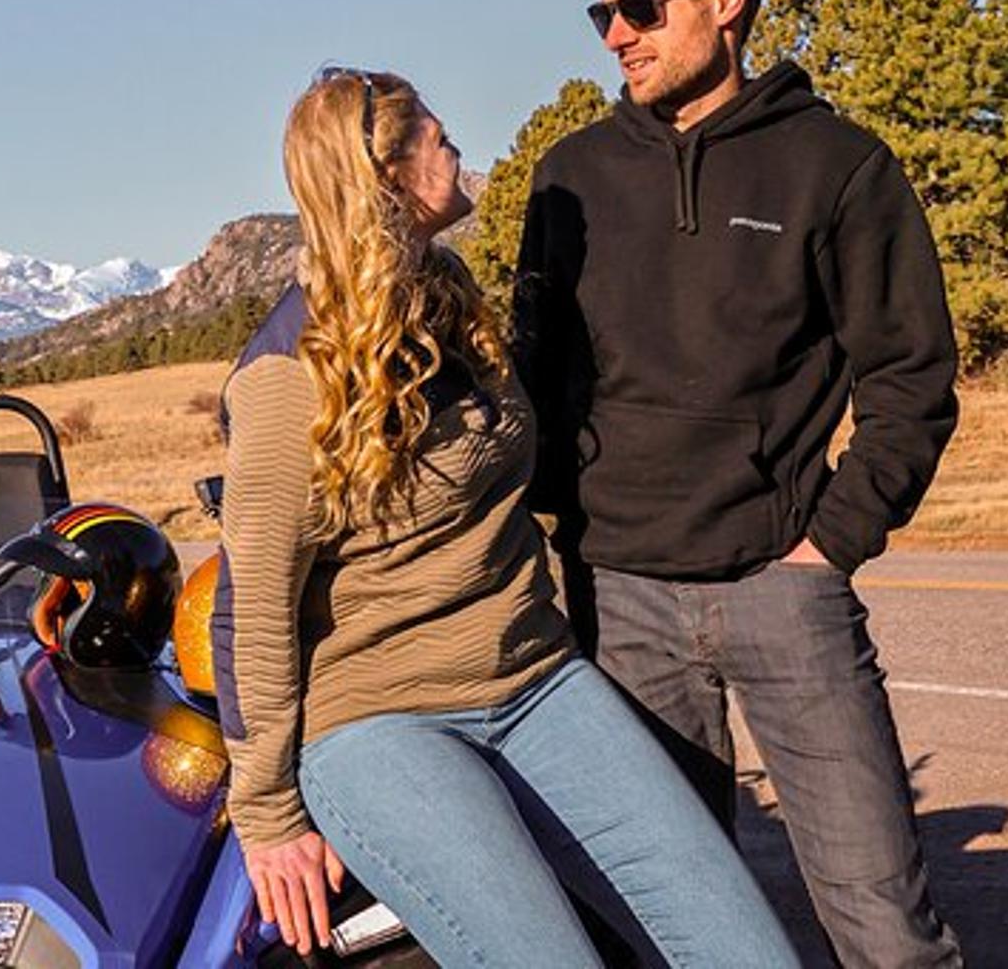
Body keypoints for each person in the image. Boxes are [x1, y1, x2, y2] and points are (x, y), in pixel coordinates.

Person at [214, 66, 798, 968]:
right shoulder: (289, 375)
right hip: (378, 718)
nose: (457, 148)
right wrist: (268, 815)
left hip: (536, 679)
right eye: (437, 136)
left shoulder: (444, 293)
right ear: (390, 176)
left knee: (749, 951)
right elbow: (251, 607)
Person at [513, 0, 963, 966]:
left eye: (641, 6)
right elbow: (534, 382)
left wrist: (826, 548)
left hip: (781, 590)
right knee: (653, 930)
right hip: (616, 602)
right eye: (602, 13)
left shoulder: (836, 166)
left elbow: (910, 376)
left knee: (884, 930)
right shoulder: (569, 177)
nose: (616, 33)